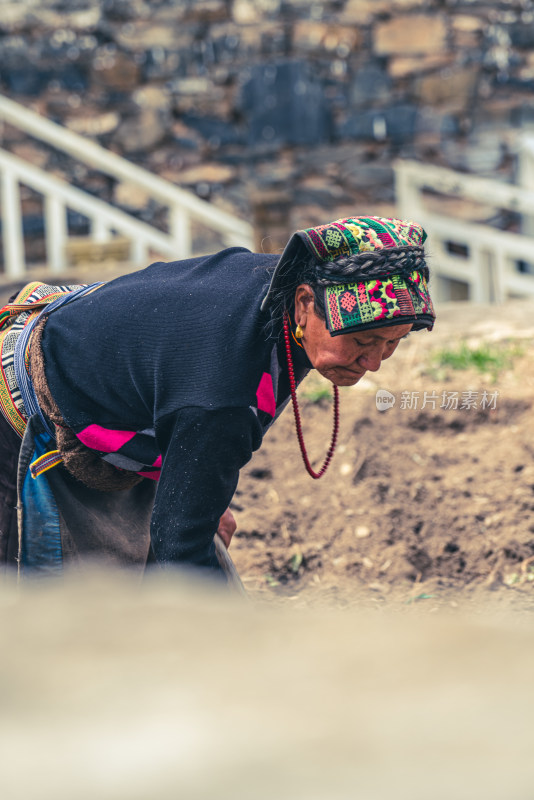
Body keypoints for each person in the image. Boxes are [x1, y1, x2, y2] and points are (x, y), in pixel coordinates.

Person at [0, 216, 435, 578]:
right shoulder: (222, 395)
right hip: (28, 404)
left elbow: (190, 422)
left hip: (122, 386)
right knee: (51, 621)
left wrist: (201, 497)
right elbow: (180, 554)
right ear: (304, 303)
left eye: (392, 343)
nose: (374, 362)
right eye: (365, 340)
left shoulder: (286, 298)